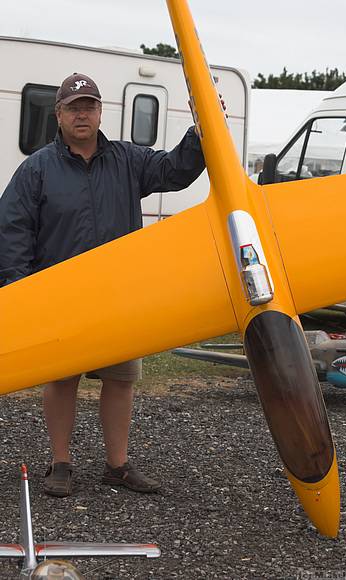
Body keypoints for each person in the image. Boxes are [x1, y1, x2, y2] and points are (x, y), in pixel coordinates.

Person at [0, 73, 206, 497]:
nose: (82, 114)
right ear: (58, 114)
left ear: (100, 112)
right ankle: (61, 463)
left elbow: (176, 171)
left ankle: (118, 466)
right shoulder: (36, 169)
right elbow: (13, 229)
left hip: (118, 295)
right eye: (73, 107)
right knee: (60, 378)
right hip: (60, 294)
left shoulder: (129, 160)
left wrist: (200, 131)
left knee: (121, 379)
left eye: (89, 106)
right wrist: (19, 289)